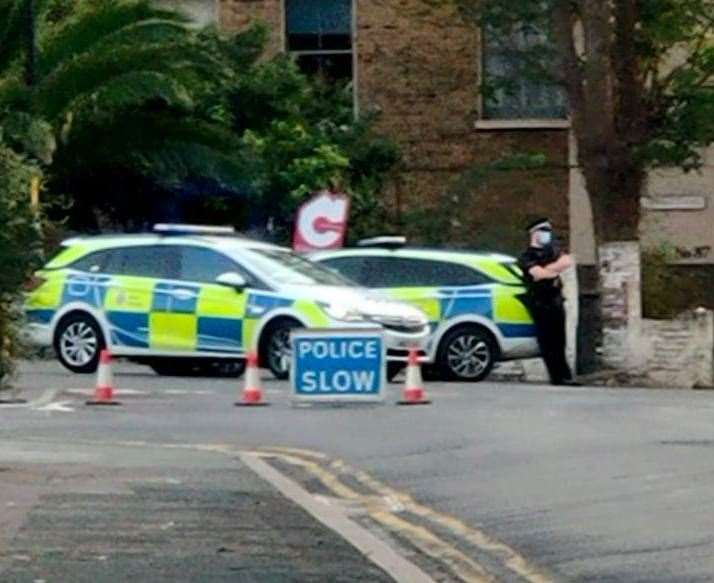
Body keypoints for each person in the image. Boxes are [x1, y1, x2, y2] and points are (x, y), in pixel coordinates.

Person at [518, 218, 579, 386]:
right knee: (547, 341)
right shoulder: (526, 256)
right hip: (540, 302)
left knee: (560, 340)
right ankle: (557, 377)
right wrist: (553, 269)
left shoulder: (552, 251)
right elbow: (538, 274)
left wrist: (548, 269)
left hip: (556, 300)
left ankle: (566, 375)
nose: (547, 234)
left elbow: (566, 261)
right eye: (543, 230)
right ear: (534, 233)